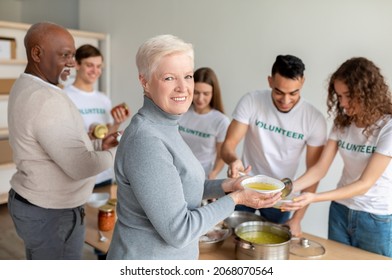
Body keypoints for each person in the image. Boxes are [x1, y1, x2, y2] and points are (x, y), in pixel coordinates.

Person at [106, 34, 281, 260]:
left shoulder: (165, 126)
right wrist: (237, 199)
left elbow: (181, 186)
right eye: (169, 78)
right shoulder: (146, 140)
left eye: (187, 76)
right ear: (145, 81)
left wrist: (229, 185)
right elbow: (179, 231)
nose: (183, 88)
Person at [7, 22, 119, 260]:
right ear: (37, 53)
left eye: (73, 55)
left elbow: (56, 147)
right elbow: (82, 166)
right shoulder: (47, 99)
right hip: (52, 215)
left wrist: (99, 146)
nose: (71, 62)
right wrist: (120, 151)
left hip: (35, 206)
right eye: (65, 55)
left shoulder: (25, 85)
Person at [282, 57, 392, 257]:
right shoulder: (343, 123)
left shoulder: (388, 127)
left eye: (348, 96)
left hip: (375, 217)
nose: (343, 104)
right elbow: (320, 168)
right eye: (339, 96)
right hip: (340, 211)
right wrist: (287, 188)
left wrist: (314, 198)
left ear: (367, 93)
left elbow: (365, 183)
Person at [221, 54, 327, 236]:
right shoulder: (251, 101)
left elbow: (314, 172)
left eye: (293, 93)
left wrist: (297, 219)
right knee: (232, 239)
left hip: (280, 195)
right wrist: (233, 160)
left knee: (269, 242)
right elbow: (227, 146)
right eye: (279, 92)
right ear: (270, 81)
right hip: (244, 185)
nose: (286, 100)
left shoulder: (314, 119)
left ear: (303, 82)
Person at [64, 44, 130, 187]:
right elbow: (62, 141)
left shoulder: (103, 98)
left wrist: (117, 123)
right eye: (90, 65)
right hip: (79, 175)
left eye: (99, 66)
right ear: (76, 64)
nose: (95, 71)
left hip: (104, 173)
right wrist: (87, 138)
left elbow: (106, 136)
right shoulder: (65, 96)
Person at [178, 67, 230, 179]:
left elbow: (221, 155)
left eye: (206, 94)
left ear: (213, 93)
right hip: (176, 171)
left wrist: (214, 173)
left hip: (201, 176)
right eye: (196, 92)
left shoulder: (221, 121)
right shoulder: (180, 111)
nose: (200, 98)